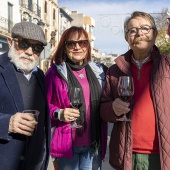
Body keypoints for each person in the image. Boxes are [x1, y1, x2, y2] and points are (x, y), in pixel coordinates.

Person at [100, 11, 170, 170]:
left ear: (155, 34)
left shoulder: (167, 66)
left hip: (162, 156)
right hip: (126, 154)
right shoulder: (114, 71)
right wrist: (112, 108)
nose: (139, 33)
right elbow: (103, 110)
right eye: (132, 30)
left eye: (145, 28)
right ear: (127, 37)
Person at [45, 26, 108, 170]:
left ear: (88, 46)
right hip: (66, 145)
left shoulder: (99, 72)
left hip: (93, 144)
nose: (77, 47)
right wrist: (59, 113)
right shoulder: (54, 74)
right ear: (64, 47)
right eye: (71, 43)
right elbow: (43, 104)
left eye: (82, 43)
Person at [0, 21, 51, 170]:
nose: (29, 52)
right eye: (23, 44)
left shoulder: (40, 75)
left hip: (36, 163)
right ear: (10, 42)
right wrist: (7, 123)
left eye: (36, 48)